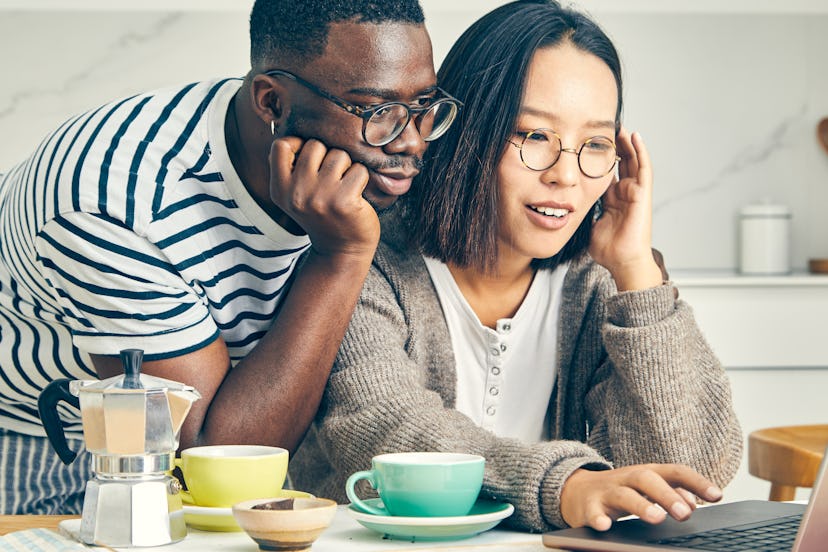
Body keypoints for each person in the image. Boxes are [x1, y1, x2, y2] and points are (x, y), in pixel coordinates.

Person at [291, 0, 743, 533]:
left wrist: (637, 273)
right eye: (534, 136)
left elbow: (685, 474)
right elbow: (387, 431)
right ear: (464, 131)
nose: (566, 176)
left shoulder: (597, 286)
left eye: (594, 145)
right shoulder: (363, 258)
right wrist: (564, 487)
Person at [0, 0, 461, 514]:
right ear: (271, 103)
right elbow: (213, 465)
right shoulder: (115, 200)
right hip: (44, 443)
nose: (413, 141)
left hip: (246, 431)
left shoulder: (360, 163)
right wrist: (341, 256)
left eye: (424, 105)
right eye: (379, 112)